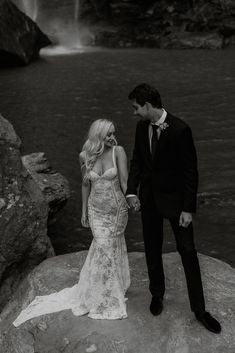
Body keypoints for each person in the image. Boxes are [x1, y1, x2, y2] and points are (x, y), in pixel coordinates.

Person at [13, 119, 130, 326]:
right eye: (108, 134)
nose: (113, 137)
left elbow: (124, 181)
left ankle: (113, 287)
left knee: (110, 245)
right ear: (98, 136)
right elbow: (86, 185)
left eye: (114, 132)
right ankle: (103, 291)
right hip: (96, 210)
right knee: (102, 245)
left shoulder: (118, 151)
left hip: (116, 210)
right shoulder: (84, 156)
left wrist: (131, 198)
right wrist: (84, 211)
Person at [126, 83, 221, 334]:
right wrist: (131, 191)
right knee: (152, 248)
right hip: (149, 201)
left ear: (148, 105)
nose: (134, 112)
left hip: (177, 205)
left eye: (136, 107)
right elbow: (137, 160)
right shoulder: (140, 127)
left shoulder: (180, 130)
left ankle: (200, 310)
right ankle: (157, 294)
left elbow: (190, 172)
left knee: (188, 252)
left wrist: (188, 209)